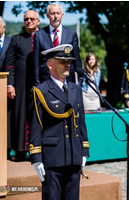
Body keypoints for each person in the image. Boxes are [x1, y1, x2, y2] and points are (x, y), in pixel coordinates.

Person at [28, 44, 89, 199]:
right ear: (50, 64)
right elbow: (35, 126)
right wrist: (36, 158)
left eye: (68, 61)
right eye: (62, 61)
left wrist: (84, 151)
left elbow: (81, 123)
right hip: (52, 158)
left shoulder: (76, 89)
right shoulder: (40, 91)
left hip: (74, 156)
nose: (67, 64)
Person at [4, 10, 40, 160]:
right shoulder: (16, 39)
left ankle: (37, 151)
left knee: (37, 118)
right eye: (26, 19)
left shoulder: (43, 37)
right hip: (20, 86)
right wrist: (9, 84)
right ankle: (20, 151)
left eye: (32, 19)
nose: (29, 21)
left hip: (39, 85)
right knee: (19, 117)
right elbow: (9, 64)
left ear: (38, 21)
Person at [33, 2, 82, 86]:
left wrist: (79, 82)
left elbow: (77, 60)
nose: (55, 16)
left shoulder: (71, 34)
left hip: (67, 80)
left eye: (58, 13)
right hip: (46, 80)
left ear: (62, 15)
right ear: (47, 15)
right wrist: (37, 84)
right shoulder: (39, 34)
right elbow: (36, 62)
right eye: (52, 13)